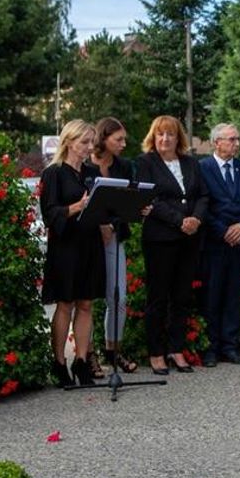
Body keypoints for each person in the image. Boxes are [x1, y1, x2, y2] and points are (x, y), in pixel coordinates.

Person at [134, 116, 208, 374]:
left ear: (179, 138)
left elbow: (203, 195)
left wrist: (196, 218)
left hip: (189, 239)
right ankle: (156, 353)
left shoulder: (191, 163)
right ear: (153, 137)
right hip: (160, 238)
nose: (165, 139)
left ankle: (177, 349)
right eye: (160, 134)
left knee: (182, 296)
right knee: (158, 297)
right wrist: (180, 220)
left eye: (170, 134)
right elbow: (151, 199)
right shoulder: (145, 163)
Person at [40, 120, 104, 387]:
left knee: (86, 303)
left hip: (90, 242)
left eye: (92, 142)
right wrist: (77, 207)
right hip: (66, 245)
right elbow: (50, 214)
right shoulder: (54, 173)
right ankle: (59, 362)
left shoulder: (91, 172)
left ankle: (81, 360)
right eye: (84, 142)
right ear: (69, 142)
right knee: (65, 303)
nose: (89, 147)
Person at [198, 123, 240, 366]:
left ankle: (230, 346)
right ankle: (211, 348)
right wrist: (223, 230)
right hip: (214, 241)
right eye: (231, 139)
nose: (236, 143)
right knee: (212, 295)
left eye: (237, 139)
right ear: (217, 142)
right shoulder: (203, 168)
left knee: (233, 295)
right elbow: (203, 204)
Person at [85, 116, 139, 375]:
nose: (123, 143)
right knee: (86, 300)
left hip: (114, 236)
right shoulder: (84, 165)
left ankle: (113, 349)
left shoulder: (124, 166)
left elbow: (126, 205)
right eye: (118, 139)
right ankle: (88, 354)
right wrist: (99, 224)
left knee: (118, 297)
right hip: (86, 238)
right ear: (103, 138)